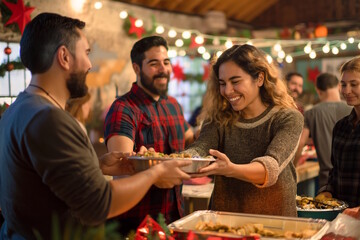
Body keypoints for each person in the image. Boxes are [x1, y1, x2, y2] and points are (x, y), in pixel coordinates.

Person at [0, 13, 191, 240]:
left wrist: (97, 166)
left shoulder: (19, 108)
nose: (90, 64)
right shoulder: (49, 119)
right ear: (64, 57)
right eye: (87, 53)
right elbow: (99, 204)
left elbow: (46, 180)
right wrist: (156, 171)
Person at [186, 44, 303, 217]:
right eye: (222, 83)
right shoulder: (218, 118)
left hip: (275, 223)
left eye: (235, 82)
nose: (227, 91)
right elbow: (200, 150)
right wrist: (160, 162)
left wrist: (231, 168)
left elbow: (270, 168)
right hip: (224, 222)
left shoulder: (288, 118)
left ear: (259, 79)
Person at [104, 36, 194, 233]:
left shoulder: (173, 104)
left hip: (174, 218)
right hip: (137, 225)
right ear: (137, 68)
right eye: (154, 64)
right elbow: (124, 167)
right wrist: (155, 172)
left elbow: (190, 138)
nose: (163, 69)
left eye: (166, 62)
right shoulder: (123, 108)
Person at [294, 73, 352, 191]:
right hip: (351, 179)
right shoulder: (352, 109)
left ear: (318, 90)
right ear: (339, 87)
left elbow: (300, 143)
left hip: (327, 181)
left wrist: (292, 167)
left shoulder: (311, 113)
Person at [318, 56, 360, 210]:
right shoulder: (341, 126)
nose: (346, 91)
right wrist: (327, 191)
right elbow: (335, 171)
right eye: (343, 85)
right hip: (342, 217)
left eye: (354, 84)